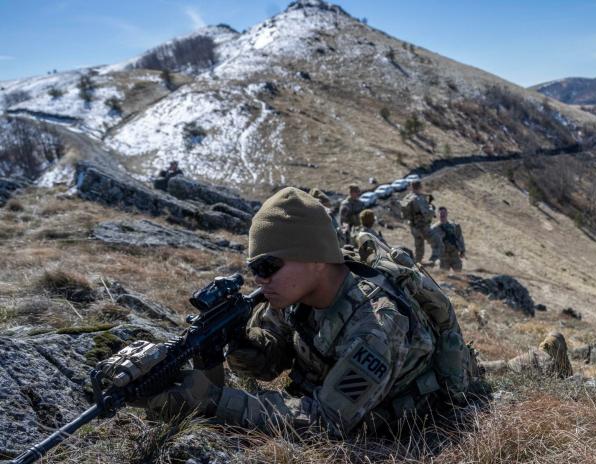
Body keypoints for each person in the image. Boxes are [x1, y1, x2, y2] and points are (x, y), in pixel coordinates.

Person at [98, 187, 480, 438]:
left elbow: (326, 423)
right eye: (255, 269)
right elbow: (267, 365)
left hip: (411, 420)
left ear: (315, 257)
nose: (260, 280)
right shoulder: (292, 294)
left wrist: (212, 401)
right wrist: (231, 341)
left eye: (268, 266)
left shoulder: (376, 324)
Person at [400, 180, 435, 263]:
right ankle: (427, 263)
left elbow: (403, 214)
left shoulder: (408, 197)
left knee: (418, 245)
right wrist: (432, 209)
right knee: (438, 243)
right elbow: (426, 213)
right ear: (420, 187)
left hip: (413, 226)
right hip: (422, 226)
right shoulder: (419, 199)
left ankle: (417, 263)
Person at [430, 206, 466, 272]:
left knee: (458, 274)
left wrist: (463, 250)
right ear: (438, 214)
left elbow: (460, 238)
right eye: (441, 213)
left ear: (447, 213)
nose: (442, 215)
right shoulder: (434, 228)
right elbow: (432, 242)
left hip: (454, 254)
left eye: (444, 213)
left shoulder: (453, 225)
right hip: (443, 256)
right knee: (444, 276)